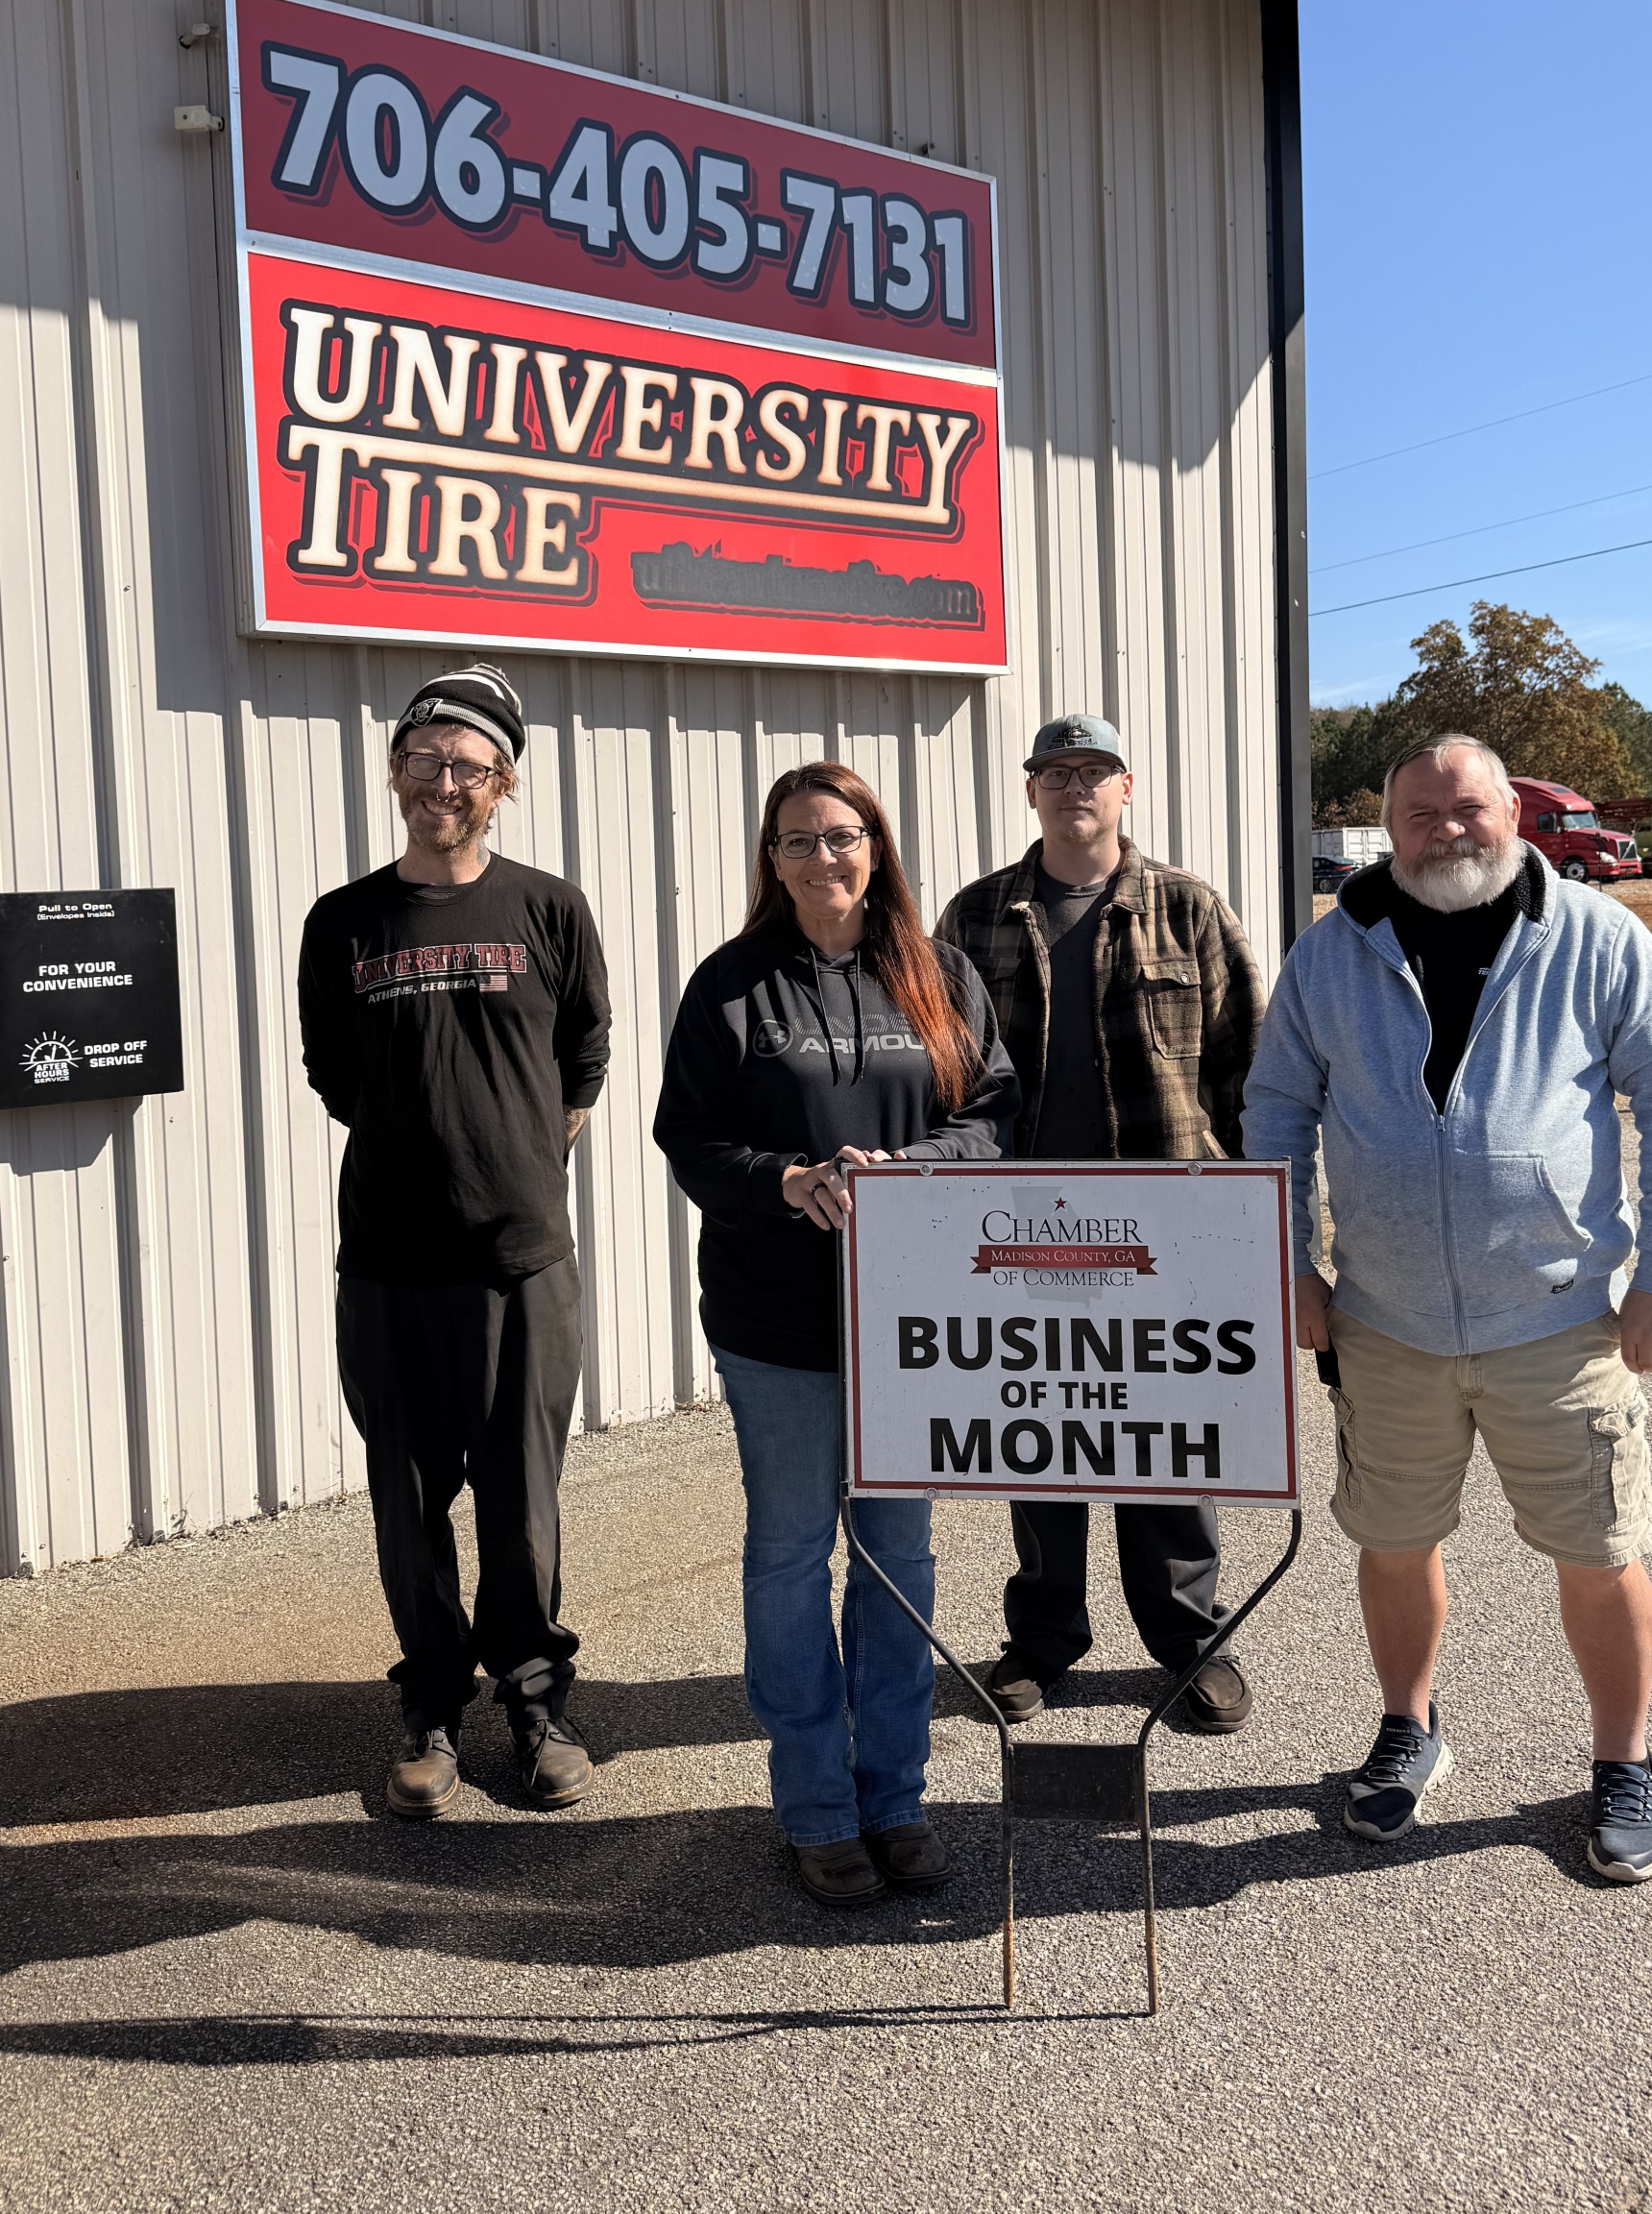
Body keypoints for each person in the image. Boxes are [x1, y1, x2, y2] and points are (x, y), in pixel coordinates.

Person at [1242, 733, 1652, 1883]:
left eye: (1467, 808)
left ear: (1512, 811)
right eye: (1420, 814)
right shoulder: (1331, 953)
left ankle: (1624, 1761)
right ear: (1388, 827)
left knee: (1600, 1551)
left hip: (1558, 1320)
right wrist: (1290, 1267)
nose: (1447, 831)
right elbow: (1276, 1110)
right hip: (1387, 1324)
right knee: (1393, 1542)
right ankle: (1408, 1728)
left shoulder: (1595, 936)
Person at [653, 763, 1018, 1909]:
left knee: (898, 1560)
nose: (824, 857)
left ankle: (894, 1796)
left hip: (913, 1320)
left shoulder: (938, 973)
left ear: (877, 845)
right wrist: (789, 1179)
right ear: (771, 858)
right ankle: (815, 1806)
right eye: (799, 840)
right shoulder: (731, 984)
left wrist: (910, 1171)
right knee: (789, 1555)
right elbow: (688, 1136)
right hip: (778, 1322)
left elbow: (992, 1114)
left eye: (843, 835)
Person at [299, 661, 612, 1822]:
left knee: (522, 1504)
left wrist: (515, 1158)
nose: (446, 781)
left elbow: (586, 1055)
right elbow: (334, 1072)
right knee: (410, 1501)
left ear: (503, 785)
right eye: (427, 759)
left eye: (471, 766)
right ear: (395, 771)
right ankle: (430, 1711)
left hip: (523, 1264)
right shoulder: (343, 922)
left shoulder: (549, 909)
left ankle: (533, 1707)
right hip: (389, 1264)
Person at [935, 714, 1267, 1731]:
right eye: (1056, 771)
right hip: (1020, 1227)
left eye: (1095, 770)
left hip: (1170, 1227)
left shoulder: (1189, 908)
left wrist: (1267, 1227)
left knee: (1166, 1440)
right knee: (1041, 1430)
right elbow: (943, 1073)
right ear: (1031, 790)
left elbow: (1248, 1071)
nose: (1075, 785)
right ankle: (1043, 1639)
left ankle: (1189, 1639)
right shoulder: (975, 916)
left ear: (1127, 788)